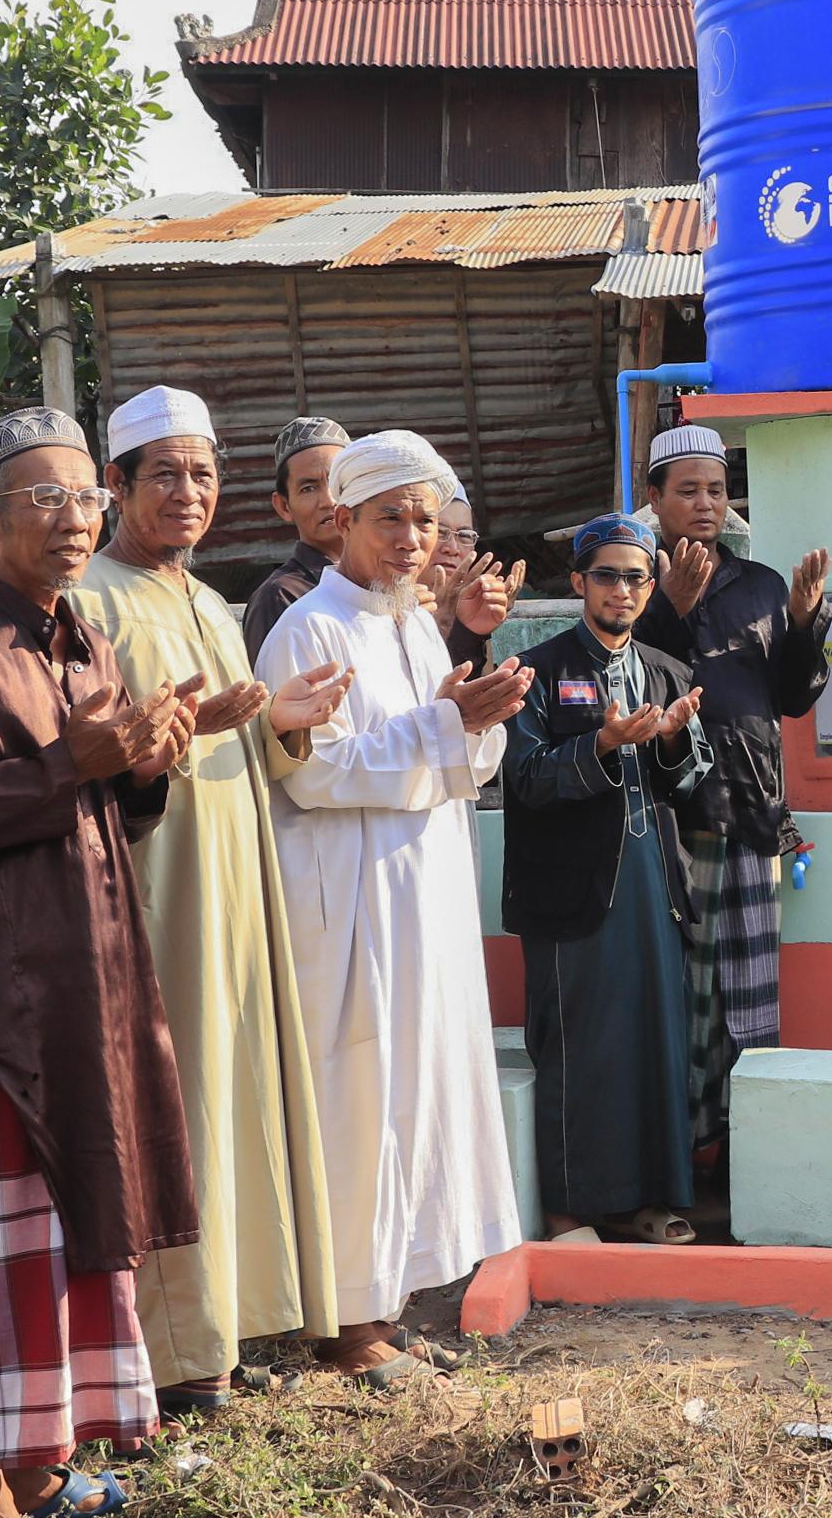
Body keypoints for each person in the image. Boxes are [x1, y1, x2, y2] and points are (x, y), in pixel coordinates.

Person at [0, 407, 199, 1518]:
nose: (73, 521)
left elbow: (105, 809)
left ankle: (42, 1475)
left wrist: (144, 763)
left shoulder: (84, 643)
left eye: (85, 500)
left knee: (73, 1233)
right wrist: (68, 764)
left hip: (90, 985)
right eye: (44, 498)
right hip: (0, 1005)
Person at [73, 385, 356, 1409]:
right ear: (115, 486)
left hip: (240, 892)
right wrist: (177, 738)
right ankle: (176, 1354)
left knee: (234, 1102)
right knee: (176, 1106)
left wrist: (281, 716)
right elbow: (98, 757)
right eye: (165, 474)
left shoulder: (207, 601)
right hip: (160, 895)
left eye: (202, 473)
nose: (188, 492)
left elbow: (257, 749)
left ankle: (231, 1329)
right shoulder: (91, 601)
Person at [255, 429, 532, 1384]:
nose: (412, 537)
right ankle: (344, 1325)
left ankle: (393, 1304)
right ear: (341, 522)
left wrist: (478, 720)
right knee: (361, 1099)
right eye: (390, 518)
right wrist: (444, 725)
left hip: (429, 895)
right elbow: (314, 773)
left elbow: (453, 763)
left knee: (425, 1090)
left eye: (424, 517)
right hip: (355, 904)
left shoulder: (418, 624)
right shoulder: (311, 628)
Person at [505, 515, 713, 1245]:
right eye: (606, 575)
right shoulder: (538, 671)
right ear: (578, 583)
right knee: (577, 1044)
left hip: (652, 883)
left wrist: (676, 736)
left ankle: (649, 1197)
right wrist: (598, 744)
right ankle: (570, 1210)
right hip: (572, 891)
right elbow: (525, 778)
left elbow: (694, 782)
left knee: (655, 1040)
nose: (621, 589)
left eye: (635, 577)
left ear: (651, 587)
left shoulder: (668, 671)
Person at [630, 423, 832, 1140]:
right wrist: (670, 610)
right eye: (687, 491)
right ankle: (684, 1147)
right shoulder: (633, 582)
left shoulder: (762, 586)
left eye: (716, 490)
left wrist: (805, 623)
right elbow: (633, 677)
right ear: (654, 499)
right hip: (673, 819)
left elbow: (793, 696)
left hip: (750, 812)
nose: (706, 504)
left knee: (750, 995)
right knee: (686, 995)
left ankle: (752, 1145)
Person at [244, 415, 350, 664]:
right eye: (309, 488)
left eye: (338, 483)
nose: (329, 501)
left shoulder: (378, 583)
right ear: (283, 506)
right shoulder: (280, 597)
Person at [417, 474, 523, 675]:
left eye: (465, 536)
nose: (453, 548)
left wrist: (471, 632)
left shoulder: (475, 608)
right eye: (440, 532)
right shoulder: (380, 607)